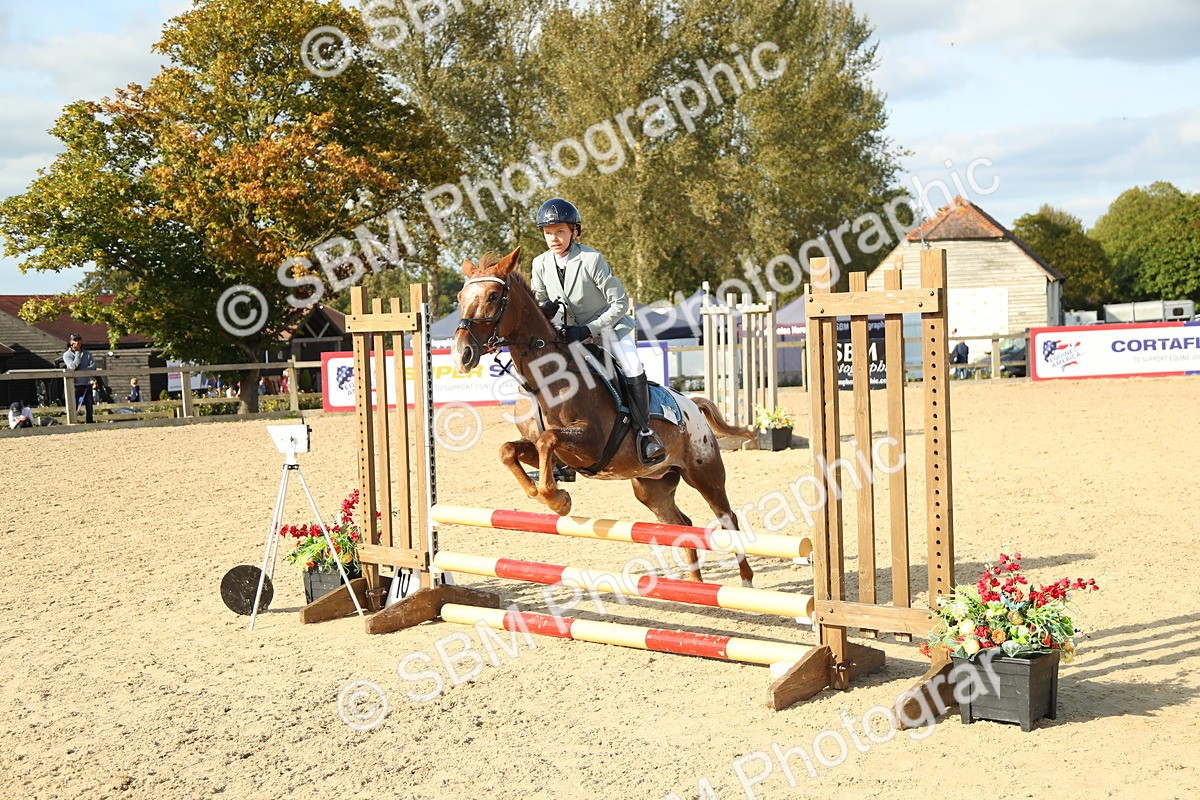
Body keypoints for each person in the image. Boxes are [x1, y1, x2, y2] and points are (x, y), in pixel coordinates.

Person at [530, 198, 665, 466]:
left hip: (610, 328)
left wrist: (589, 329)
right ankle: (559, 453)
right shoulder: (539, 264)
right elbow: (539, 303)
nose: (554, 238)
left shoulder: (591, 259)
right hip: (568, 335)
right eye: (548, 233)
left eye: (560, 231)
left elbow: (620, 304)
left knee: (631, 365)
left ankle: (645, 433)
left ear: (574, 232)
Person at [62, 333, 96, 422]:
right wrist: (77, 353)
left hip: (86, 384)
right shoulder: (67, 355)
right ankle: (73, 423)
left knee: (89, 407)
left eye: (79, 340)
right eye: (75, 340)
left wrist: (82, 370)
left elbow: (93, 366)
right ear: (71, 342)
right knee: (74, 406)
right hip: (75, 386)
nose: (77, 342)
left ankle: (90, 424)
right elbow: (72, 367)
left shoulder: (87, 354)